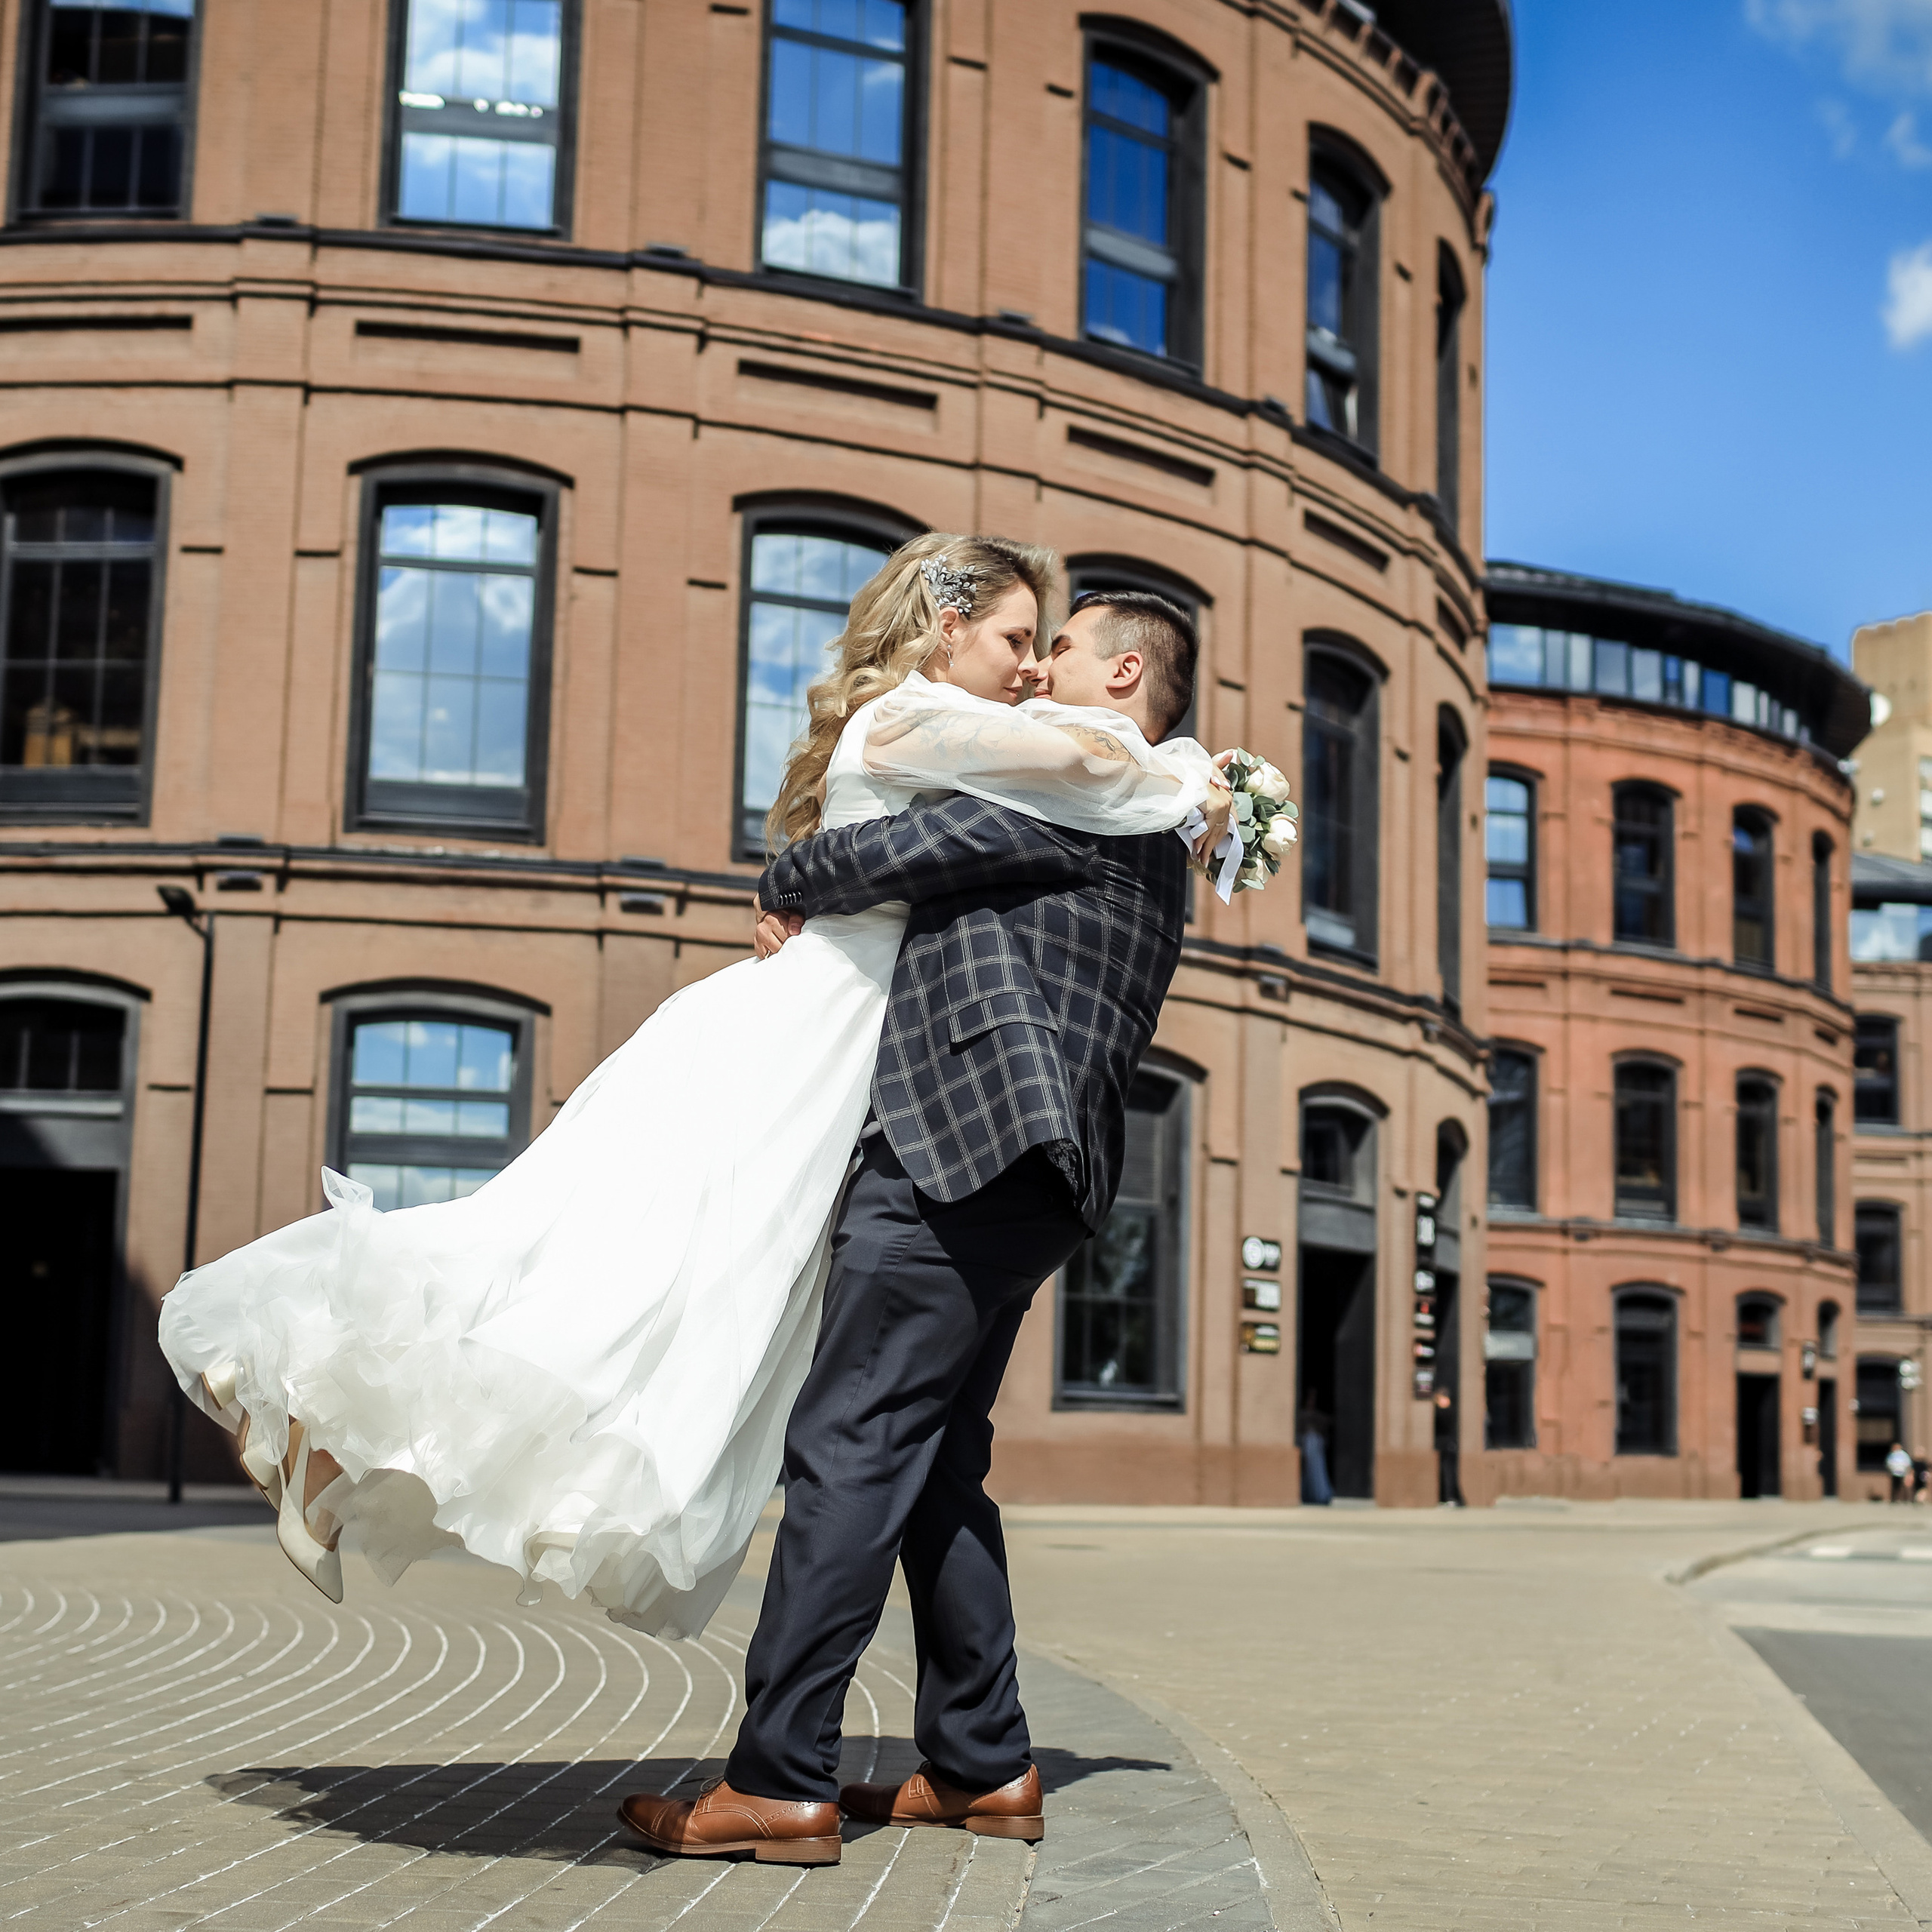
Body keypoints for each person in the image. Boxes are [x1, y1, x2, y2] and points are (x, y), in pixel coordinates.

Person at [158, 536, 1230, 1632]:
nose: (1032, 667)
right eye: (1015, 638)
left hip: (842, 1047)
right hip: (802, 1035)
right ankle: (312, 1387)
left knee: (648, 1292)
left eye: (1044, 645)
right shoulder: (915, 718)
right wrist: (1210, 780)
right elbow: (1091, 767)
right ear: (947, 627)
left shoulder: (956, 732)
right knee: (610, 1276)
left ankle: (336, 1449)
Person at [615, 585, 1211, 1867]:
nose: (1037, 667)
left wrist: (783, 874)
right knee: (936, 1465)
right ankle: (985, 1767)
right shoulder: (1153, 808)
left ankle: (780, 1781)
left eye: (1061, 646)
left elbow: (887, 858)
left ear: (1124, 677)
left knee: (848, 1448)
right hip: (1037, 1173)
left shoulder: (1090, 788)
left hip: (960, 1150)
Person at [1434, 1386, 1466, 1507]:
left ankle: (1451, 1497)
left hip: (1449, 1446)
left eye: (1441, 1399)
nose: (1439, 1402)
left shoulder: (1450, 1411)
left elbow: (1443, 1420)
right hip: (1443, 1446)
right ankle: (1445, 1497)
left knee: (1449, 1472)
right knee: (1443, 1472)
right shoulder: (1441, 1411)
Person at [1298, 1401, 1333, 1506]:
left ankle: (1319, 1495)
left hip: (1315, 1449)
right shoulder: (1304, 1417)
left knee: (1317, 1472)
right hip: (1309, 1447)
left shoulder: (1319, 1420)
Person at [1886, 1439, 1912, 1503]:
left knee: (1902, 1487)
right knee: (1895, 1487)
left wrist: (1908, 1472)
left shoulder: (1903, 1454)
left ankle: (1904, 1499)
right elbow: (1889, 1463)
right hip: (1895, 1473)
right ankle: (1894, 1499)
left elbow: (1908, 1463)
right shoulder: (1893, 1454)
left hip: (1902, 1473)